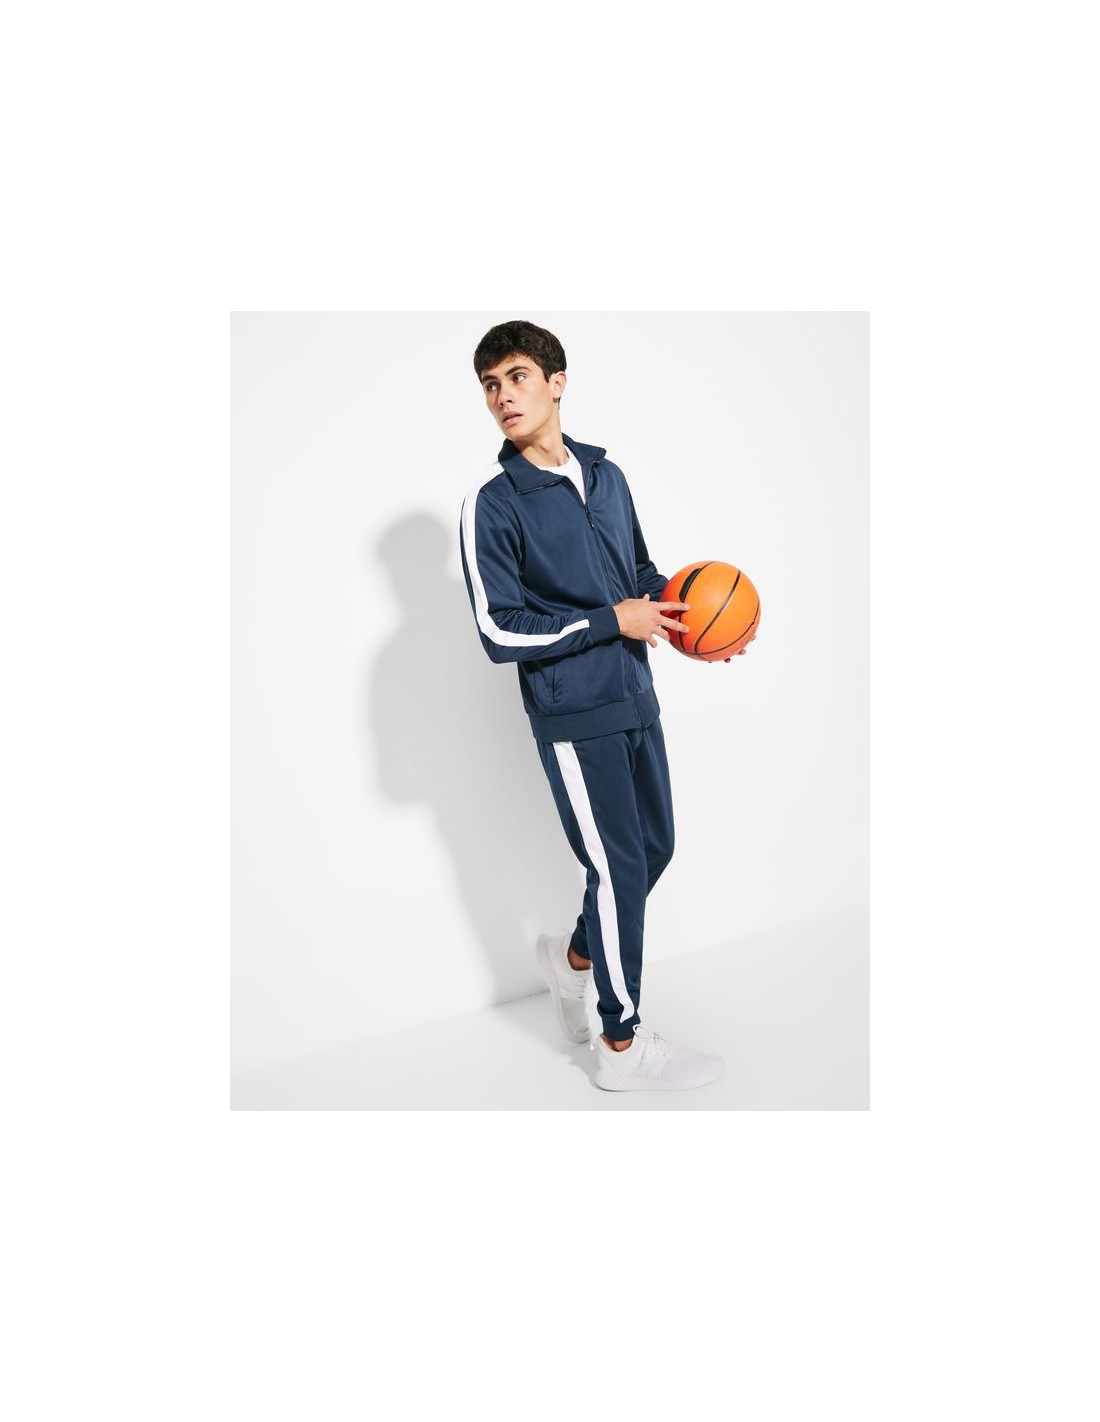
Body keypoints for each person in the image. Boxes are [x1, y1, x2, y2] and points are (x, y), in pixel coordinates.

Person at [459, 320, 740, 1092]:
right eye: (490, 385)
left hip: (635, 694)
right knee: (618, 868)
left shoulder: (605, 475)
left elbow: (638, 572)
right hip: (574, 713)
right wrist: (612, 621)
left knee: (653, 852)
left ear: (557, 381)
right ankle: (621, 1044)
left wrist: (696, 624)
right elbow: (498, 631)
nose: (503, 396)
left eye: (516, 376)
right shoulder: (492, 503)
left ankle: (572, 956)